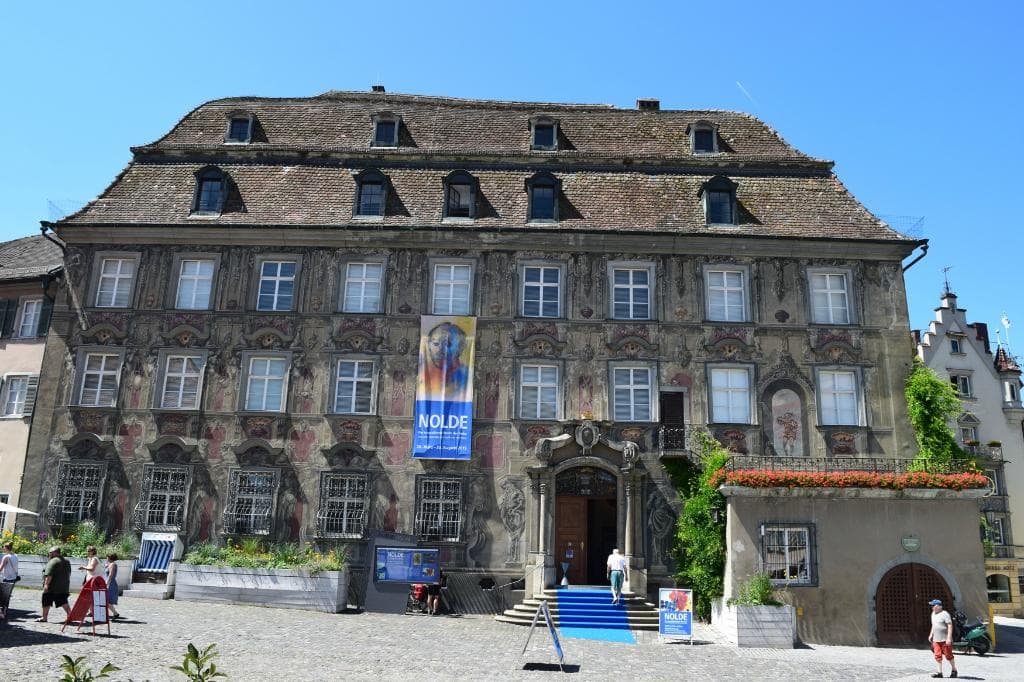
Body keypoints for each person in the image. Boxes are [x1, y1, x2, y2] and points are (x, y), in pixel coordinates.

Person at [419, 321, 470, 402]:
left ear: (461, 347)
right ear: (428, 346)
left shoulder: (467, 376)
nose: (440, 350)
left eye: (447, 344)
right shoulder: (423, 376)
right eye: (435, 343)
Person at [37, 546, 72, 623]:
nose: (49, 554)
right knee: (63, 601)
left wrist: (46, 585)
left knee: (46, 600)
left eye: (50, 553)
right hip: (64, 586)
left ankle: (44, 617)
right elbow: (69, 573)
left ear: (54, 553)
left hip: (52, 587)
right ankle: (70, 616)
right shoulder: (66, 561)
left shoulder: (53, 561)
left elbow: (49, 574)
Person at [928, 598, 958, 678]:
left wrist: (949, 638)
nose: (932, 607)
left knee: (949, 655)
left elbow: (950, 625)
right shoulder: (933, 614)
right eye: (932, 605)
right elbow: (933, 625)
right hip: (936, 639)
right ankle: (939, 673)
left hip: (944, 639)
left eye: (933, 605)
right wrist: (931, 634)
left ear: (939, 606)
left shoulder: (945, 614)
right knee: (937, 655)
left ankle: (954, 670)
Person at [1, 541, 19, 621]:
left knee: (3, 596)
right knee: (7, 596)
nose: (2, 548)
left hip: (7, 578)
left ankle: (3, 613)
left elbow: (0, 568)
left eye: (3, 547)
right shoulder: (15, 556)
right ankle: (5, 611)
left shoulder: (6, 557)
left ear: (6, 548)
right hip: (14, 578)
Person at [105, 553, 121, 620]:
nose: (106, 558)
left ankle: (115, 613)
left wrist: (106, 583)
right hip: (110, 583)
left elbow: (110, 575)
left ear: (110, 558)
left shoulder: (112, 564)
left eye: (107, 557)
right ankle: (115, 613)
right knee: (107, 600)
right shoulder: (110, 564)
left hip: (110, 584)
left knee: (107, 600)